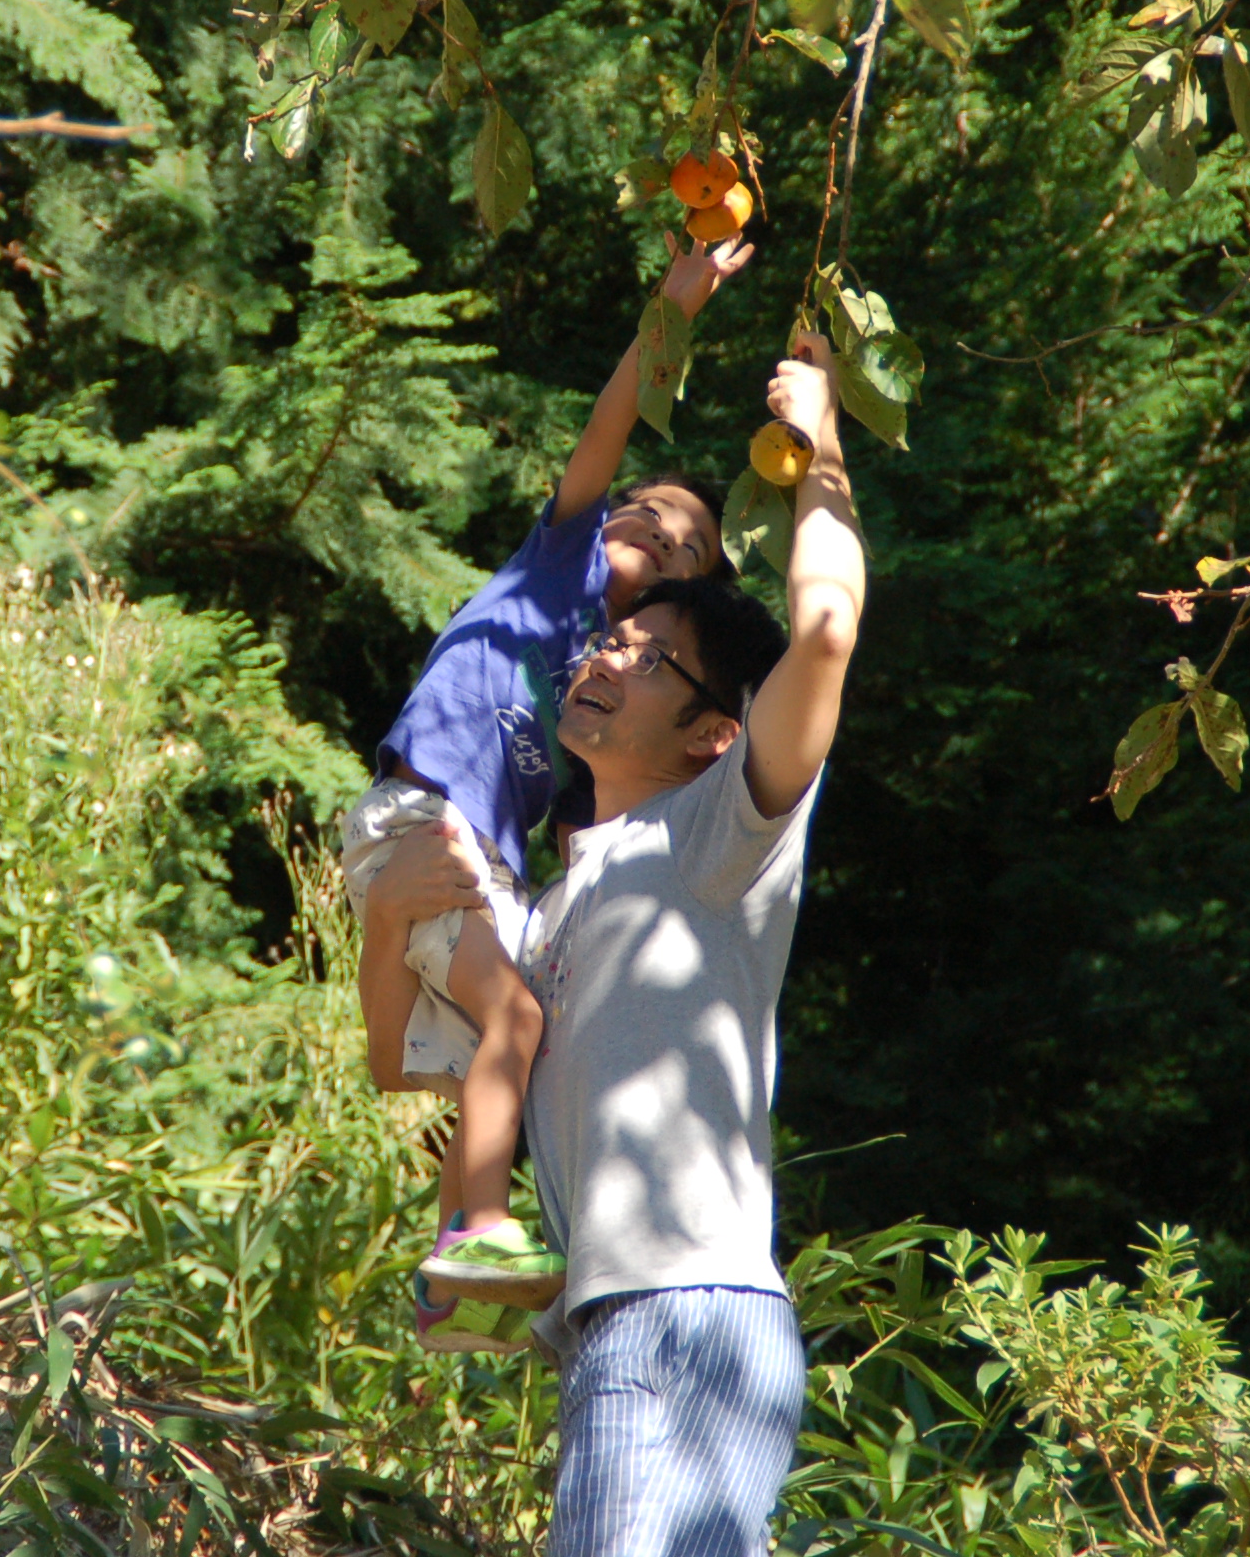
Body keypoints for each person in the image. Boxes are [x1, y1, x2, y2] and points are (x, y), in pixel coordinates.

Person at [359, 331, 863, 1548]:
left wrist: (820, 444)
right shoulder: (543, 899)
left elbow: (827, 634)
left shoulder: (721, 830)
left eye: (648, 659)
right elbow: (399, 1062)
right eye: (611, 640)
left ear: (708, 732)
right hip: (619, 1327)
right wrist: (384, 917)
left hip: (679, 1313)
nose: (604, 653)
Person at [341, 229, 753, 1351]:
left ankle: (450, 1285)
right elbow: (612, 421)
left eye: (683, 540)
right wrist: (673, 310)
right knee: (513, 1019)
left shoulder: (599, 672)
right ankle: (472, 1231)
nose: (654, 520)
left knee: (507, 1049)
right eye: (645, 505)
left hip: (478, 852)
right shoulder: (554, 565)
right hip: (427, 819)